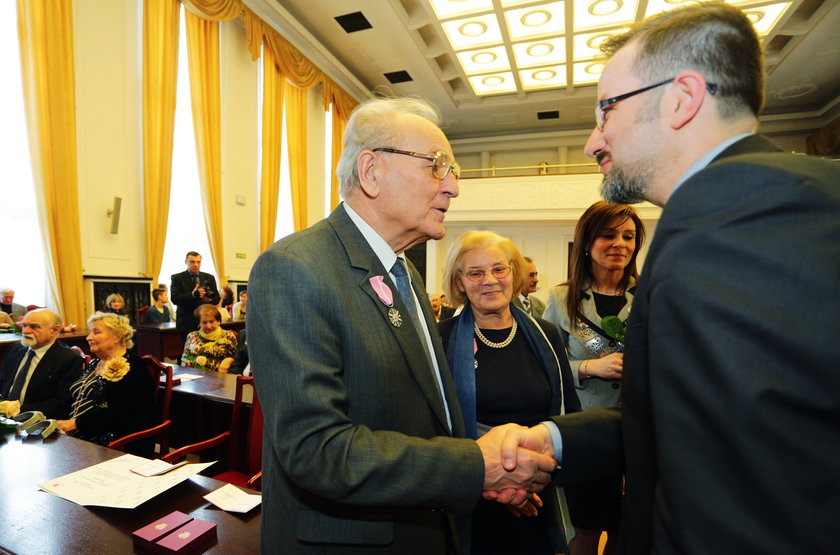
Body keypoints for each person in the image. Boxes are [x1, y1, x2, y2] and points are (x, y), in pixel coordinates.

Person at [500, 3, 840, 553]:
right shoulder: (768, 201)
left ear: (682, 99)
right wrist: (553, 437)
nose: (593, 141)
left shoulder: (736, 220)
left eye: (605, 110)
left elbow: (738, 495)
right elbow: (685, 424)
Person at [248, 97, 556, 553]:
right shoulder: (296, 268)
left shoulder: (403, 271)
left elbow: (424, 410)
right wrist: (474, 466)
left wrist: (483, 474)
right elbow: (317, 452)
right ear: (371, 171)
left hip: (423, 526)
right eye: (437, 166)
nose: (453, 187)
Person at [438, 231, 581, 554]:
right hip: (473, 497)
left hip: (540, 491)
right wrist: (499, 482)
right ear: (459, 283)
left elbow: (569, 414)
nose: (489, 280)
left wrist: (529, 480)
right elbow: (433, 424)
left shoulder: (546, 335)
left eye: (499, 269)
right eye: (475, 273)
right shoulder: (439, 339)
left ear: (513, 273)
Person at [543, 201, 645, 555]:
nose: (620, 243)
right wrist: (588, 367)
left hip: (637, 431)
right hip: (585, 431)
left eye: (628, 236)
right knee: (584, 531)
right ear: (587, 243)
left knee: (627, 529)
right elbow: (547, 366)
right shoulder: (561, 298)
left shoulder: (648, 295)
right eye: (608, 235)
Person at [58, 313, 155, 455]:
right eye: (90, 332)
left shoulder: (135, 367)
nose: (88, 337)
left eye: (96, 332)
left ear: (117, 336)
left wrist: (75, 424)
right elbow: (76, 398)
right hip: (78, 435)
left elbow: (126, 413)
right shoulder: (94, 363)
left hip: (113, 442)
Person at [0, 309, 84, 419]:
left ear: (54, 330)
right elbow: (3, 382)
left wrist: (16, 409)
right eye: (24, 326)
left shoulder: (68, 359)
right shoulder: (16, 349)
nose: (26, 331)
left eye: (34, 327)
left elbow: (61, 403)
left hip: (34, 420)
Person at [170, 251, 220, 336]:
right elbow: (175, 299)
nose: (196, 264)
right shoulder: (177, 278)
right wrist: (192, 295)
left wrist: (209, 300)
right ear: (186, 262)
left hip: (207, 322)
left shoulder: (209, 277)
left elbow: (217, 298)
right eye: (192, 262)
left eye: (198, 262)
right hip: (187, 322)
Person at [180, 304, 237, 373]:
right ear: (199, 323)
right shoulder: (192, 336)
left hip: (220, 377)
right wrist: (186, 363)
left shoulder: (228, 336)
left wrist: (229, 360)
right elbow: (183, 359)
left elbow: (238, 361)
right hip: (195, 376)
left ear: (218, 321)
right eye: (204, 322)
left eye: (211, 321)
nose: (209, 326)